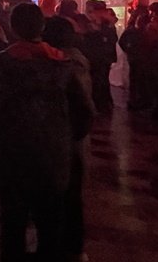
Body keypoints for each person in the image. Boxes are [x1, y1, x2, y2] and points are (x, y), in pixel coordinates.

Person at [0, 4, 93, 262]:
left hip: (12, 155)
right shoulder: (62, 64)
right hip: (53, 155)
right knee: (50, 223)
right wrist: (65, 139)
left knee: (13, 223)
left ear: (13, 27)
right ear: (41, 27)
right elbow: (84, 113)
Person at [42, 16, 96, 261]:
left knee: (66, 194)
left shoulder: (65, 63)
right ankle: (71, 246)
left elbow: (83, 108)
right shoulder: (76, 59)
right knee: (70, 195)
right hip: (70, 138)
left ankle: (69, 247)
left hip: (66, 138)